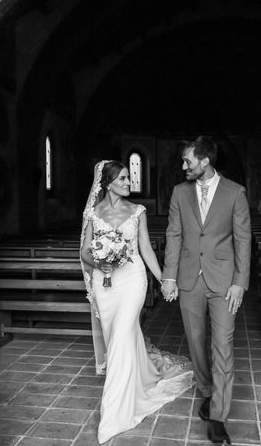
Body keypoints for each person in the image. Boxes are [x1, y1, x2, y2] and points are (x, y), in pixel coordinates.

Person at [80, 160, 194, 445]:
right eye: (123, 178)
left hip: (132, 279)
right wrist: (102, 262)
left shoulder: (138, 212)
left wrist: (166, 280)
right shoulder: (93, 213)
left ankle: (114, 414)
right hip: (104, 283)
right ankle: (140, 378)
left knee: (120, 336)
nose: (129, 182)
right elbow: (84, 252)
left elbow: (144, 249)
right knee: (117, 338)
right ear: (107, 183)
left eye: (129, 178)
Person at [161, 137, 251, 445]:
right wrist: (169, 276)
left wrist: (240, 282)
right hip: (188, 279)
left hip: (224, 281)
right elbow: (174, 235)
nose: (183, 166)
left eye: (188, 161)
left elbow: (243, 240)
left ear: (205, 162)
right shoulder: (179, 193)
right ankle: (207, 390)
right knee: (196, 342)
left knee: (222, 346)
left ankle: (218, 417)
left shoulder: (235, 192)